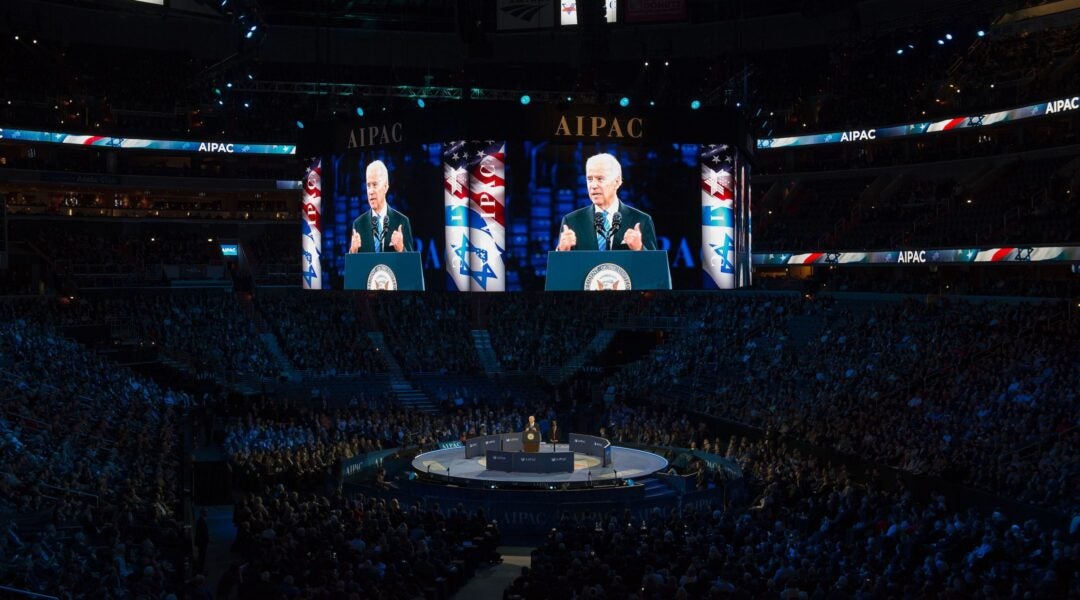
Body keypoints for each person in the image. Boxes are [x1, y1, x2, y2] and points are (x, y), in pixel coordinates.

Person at [556, 153, 657, 252]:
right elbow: (559, 267)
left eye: (600, 179)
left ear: (617, 182)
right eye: (589, 179)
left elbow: (655, 267)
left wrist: (639, 248)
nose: (593, 185)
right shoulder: (571, 221)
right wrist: (561, 251)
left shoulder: (641, 220)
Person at [349, 160, 414, 253]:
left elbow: (411, 265)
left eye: (375, 185)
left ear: (385, 187)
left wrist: (401, 249)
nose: (370, 191)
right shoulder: (358, 225)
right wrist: (353, 252)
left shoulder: (402, 221)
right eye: (368, 185)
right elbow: (353, 266)